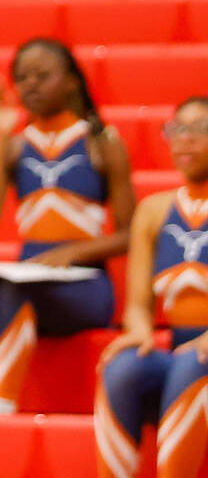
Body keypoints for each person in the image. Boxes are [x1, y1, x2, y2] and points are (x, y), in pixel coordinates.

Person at [0, 38, 136, 415]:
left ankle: (1, 409)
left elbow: (131, 234)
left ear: (71, 81)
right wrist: (1, 133)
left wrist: (72, 252)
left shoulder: (101, 142)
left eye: (42, 76)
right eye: (22, 78)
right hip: (29, 273)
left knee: (15, 293)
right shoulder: (17, 145)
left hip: (84, 283)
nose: (30, 85)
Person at [96, 97, 208, 478]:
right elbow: (138, 303)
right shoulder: (154, 211)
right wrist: (140, 330)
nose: (185, 139)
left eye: (200, 129)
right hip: (183, 352)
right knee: (124, 366)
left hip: (197, 358)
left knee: (193, 362)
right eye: (177, 129)